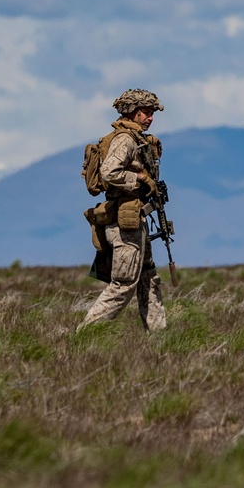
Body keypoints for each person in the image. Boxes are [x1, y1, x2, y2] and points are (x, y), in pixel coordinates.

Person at [78, 88, 167, 333]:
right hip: (123, 222)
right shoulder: (125, 139)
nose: (150, 118)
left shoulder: (136, 138)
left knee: (148, 278)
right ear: (132, 113)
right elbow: (109, 172)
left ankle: (159, 337)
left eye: (151, 113)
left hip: (136, 219)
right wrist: (138, 177)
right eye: (145, 113)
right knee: (124, 282)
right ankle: (86, 334)